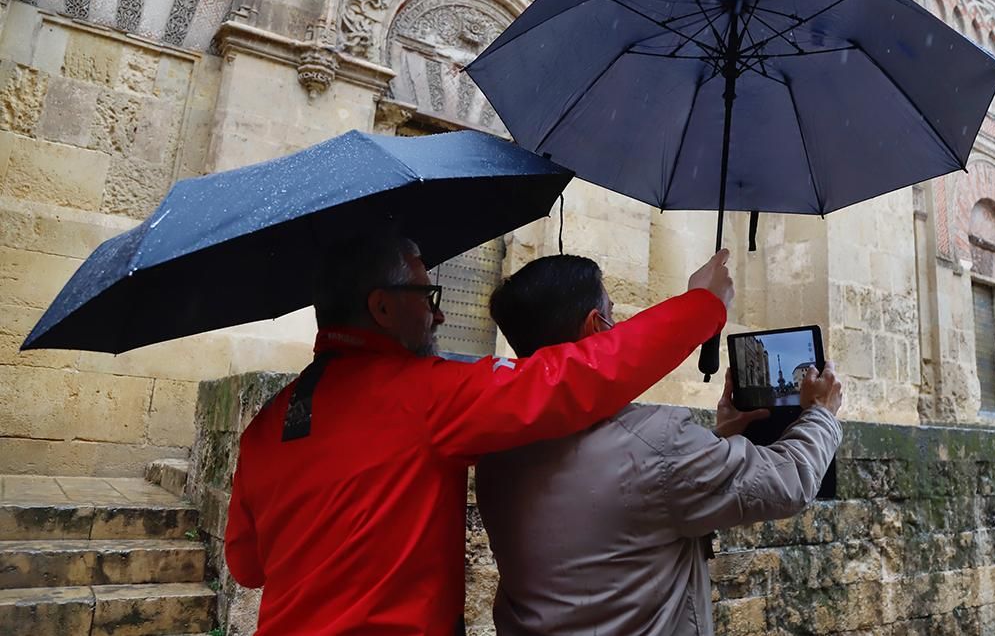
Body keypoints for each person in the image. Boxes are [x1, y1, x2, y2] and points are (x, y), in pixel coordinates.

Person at [224, 227, 734, 636]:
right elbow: (571, 377)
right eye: (426, 296)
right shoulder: (425, 396)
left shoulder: (266, 425)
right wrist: (702, 306)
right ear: (381, 307)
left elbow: (247, 566)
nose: (440, 313)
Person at [476, 254, 843, 636]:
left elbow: (634, 495)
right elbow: (789, 481)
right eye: (611, 316)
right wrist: (822, 413)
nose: (617, 326)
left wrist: (720, 440)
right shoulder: (655, 443)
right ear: (593, 328)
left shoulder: (497, 450)